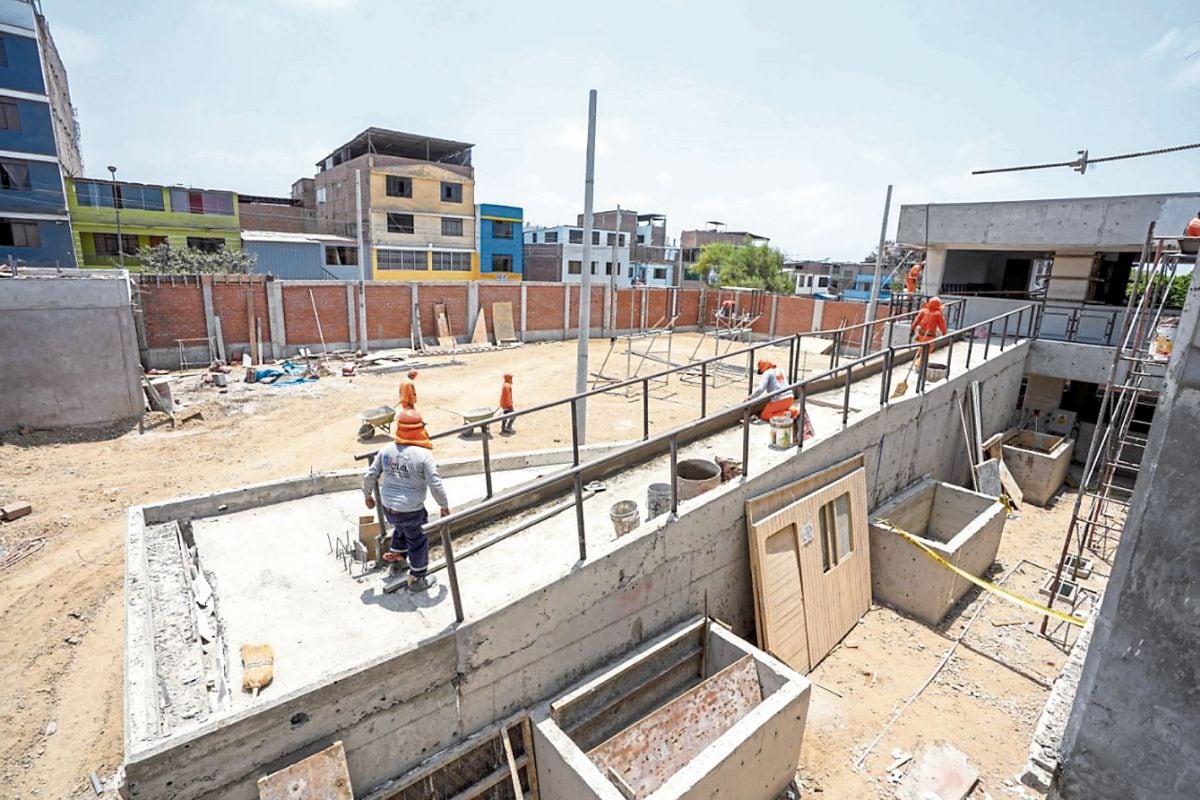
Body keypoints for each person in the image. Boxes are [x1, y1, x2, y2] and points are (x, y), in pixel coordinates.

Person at [362, 408, 449, 594]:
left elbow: (370, 475)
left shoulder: (386, 450)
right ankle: (417, 578)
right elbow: (435, 483)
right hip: (411, 509)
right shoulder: (423, 455)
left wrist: (368, 496)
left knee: (400, 529)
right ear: (420, 429)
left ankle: (397, 561)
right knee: (417, 541)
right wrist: (444, 506)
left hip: (388, 508)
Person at [912, 296, 947, 365]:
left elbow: (916, 320)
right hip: (929, 336)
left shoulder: (923, 311)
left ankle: (921, 363)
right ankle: (920, 365)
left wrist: (912, 329)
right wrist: (944, 333)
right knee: (927, 351)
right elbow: (942, 325)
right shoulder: (938, 314)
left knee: (922, 349)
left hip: (921, 334)